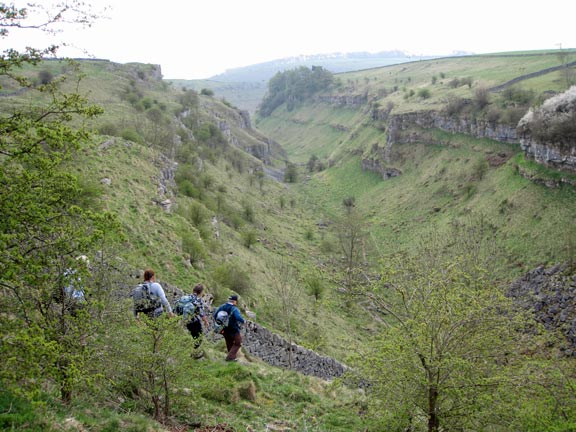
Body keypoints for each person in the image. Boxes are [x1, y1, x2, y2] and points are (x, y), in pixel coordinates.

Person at [213, 294, 245, 362]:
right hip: (233, 329)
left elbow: (215, 315)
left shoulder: (222, 306)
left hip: (223, 328)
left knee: (229, 342)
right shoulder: (234, 309)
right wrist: (243, 321)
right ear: (234, 301)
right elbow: (238, 317)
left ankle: (232, 358)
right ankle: (230, 357)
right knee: (238, 342)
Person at [185, 283, 210, 351]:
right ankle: (193, 353)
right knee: (199, 338)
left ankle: (188, 350)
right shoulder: (199, 300)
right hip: (194, 321)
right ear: (201, 292)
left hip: (185, 320)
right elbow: (201, 313)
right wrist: (206, 321)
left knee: (192, 336)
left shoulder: (187, 297)